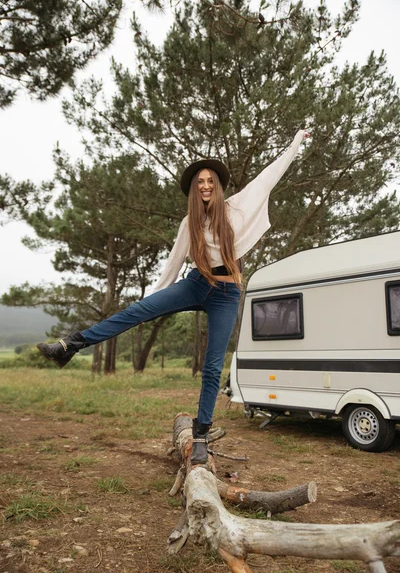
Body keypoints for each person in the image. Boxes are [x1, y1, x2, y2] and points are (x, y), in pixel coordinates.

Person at [37, 129, 309, 464]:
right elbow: (172, 266)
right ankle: (70, 345)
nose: (205, 186)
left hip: (226, 294)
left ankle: (200, 435)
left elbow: (270, 174)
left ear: (217, 184)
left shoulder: (236, 209)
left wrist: (295, 142)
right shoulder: (189, 223)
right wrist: (152, 301)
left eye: (210, 180)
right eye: (200, 183)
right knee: (136, 312)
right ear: (195, 190)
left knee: (211, 368)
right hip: (197, 283)